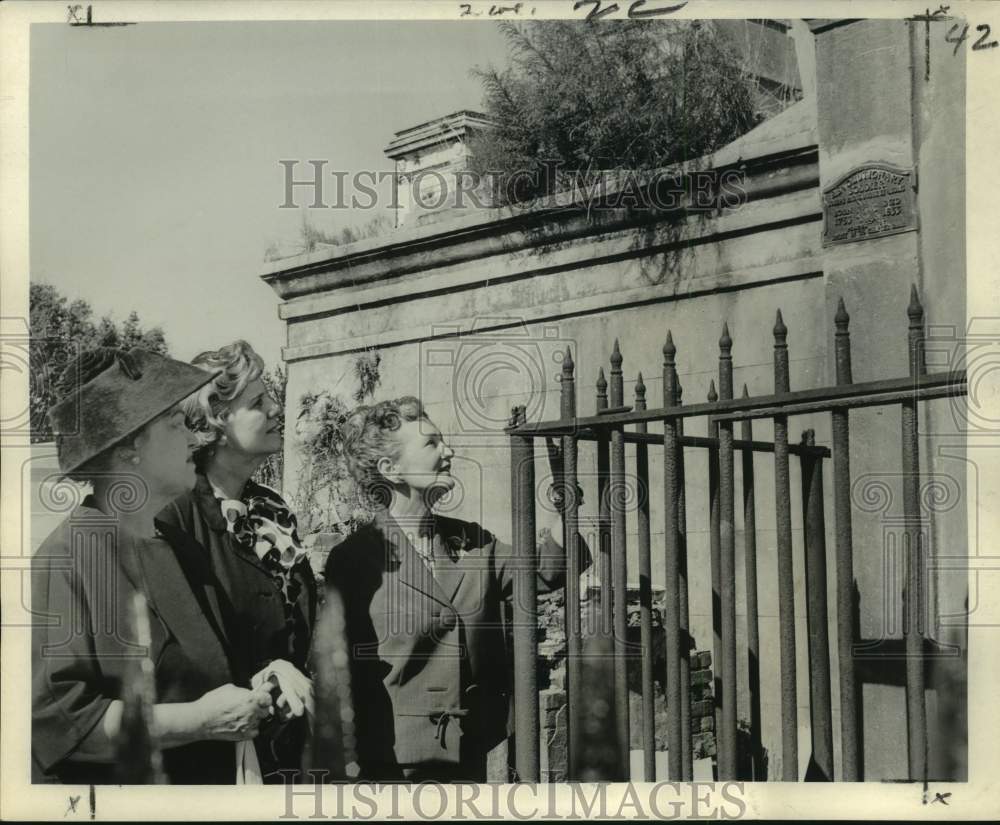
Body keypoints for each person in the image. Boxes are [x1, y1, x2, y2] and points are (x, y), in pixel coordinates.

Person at [32, 347, 275, 784]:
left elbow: (216, 671)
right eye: (176, 424)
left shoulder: (180, 546)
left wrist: (267, 676)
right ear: (129, 447)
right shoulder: (67, 556)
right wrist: (198, 721)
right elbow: (61, 723)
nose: (195, 439)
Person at [323, 396, 590, 782]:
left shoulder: (474, 541)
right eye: (431, 444)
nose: (448, 451)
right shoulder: (353, 559)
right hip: (392, 761)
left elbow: (547, 572)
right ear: (390, 469)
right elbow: (338, 675)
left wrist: (566, 504)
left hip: (474, 752)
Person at [157, 340, 316, 783]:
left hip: (280, 746)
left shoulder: (273, 509)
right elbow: (177, 651)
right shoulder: (174, 514)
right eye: (258, 403)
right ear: (215, 422)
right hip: (207, 759)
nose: (276, 409)